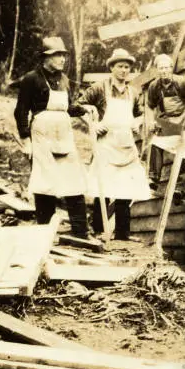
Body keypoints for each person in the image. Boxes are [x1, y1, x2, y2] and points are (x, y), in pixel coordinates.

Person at [14, 36, 90, 236]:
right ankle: (44, 231)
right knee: (45, 181)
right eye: (58, 55)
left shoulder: (64, 80)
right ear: (45, 57)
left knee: (74, 179)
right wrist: (25, 140)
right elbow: (21, 111)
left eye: (64, 55)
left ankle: (80, 231)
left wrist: (84, 109)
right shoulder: (31, 78)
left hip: (63, 135)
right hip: (42, 136)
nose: (63, 59)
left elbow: (67, 108)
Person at [81, 48, 151, 241]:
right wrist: (93, 125)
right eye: (120, 66)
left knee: (126, 190)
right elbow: (77, 107)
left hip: (126, 145)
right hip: (106, 145)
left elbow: (139, 116)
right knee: (101, 189)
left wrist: (138, 124)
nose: (124, 70)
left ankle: (122, 233)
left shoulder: (133, 93)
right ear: (112, 67)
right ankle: (98, 230)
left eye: (127, 67)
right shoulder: (99, 88)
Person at [145, 53, 185, 191]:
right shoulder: (154, 86)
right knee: (155, 142)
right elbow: (149, 106)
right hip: (167, 120)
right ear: (157, 70)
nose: (164, 71)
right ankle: (154, 177)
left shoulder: (181, 82)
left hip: (184, 117)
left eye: (166, 68)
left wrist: (184, 120)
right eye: (161, 68)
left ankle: (180, 186)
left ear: (171, 68)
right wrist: (151, 121)